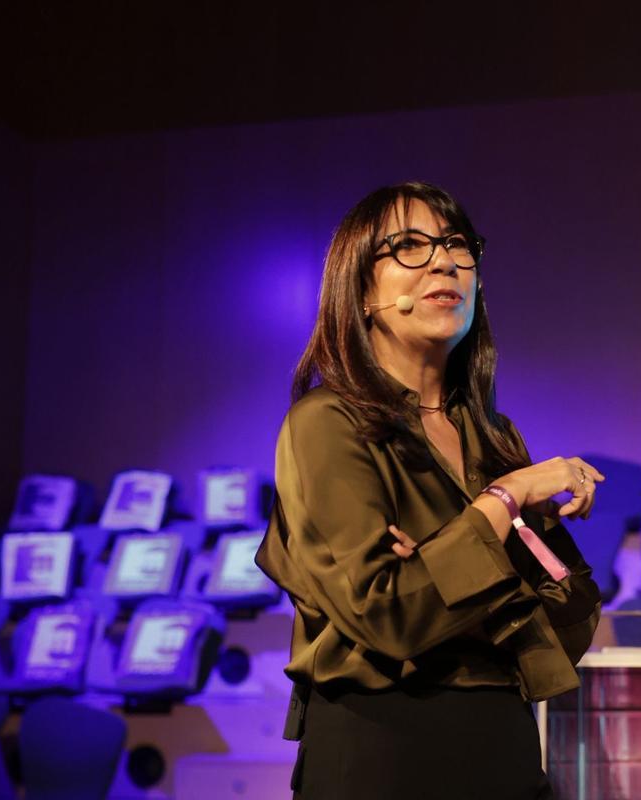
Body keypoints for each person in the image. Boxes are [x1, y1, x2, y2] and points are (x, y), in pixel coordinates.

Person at [255, 181, 603, 799]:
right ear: (361, 290)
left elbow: (562, 626)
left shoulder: (494, 434)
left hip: (503, 738)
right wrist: (503, 501)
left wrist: (480, 543)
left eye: (457, 245)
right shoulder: (326, 422)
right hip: (383, 744)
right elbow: (390, 615)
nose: (444, 261)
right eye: (409, 246)